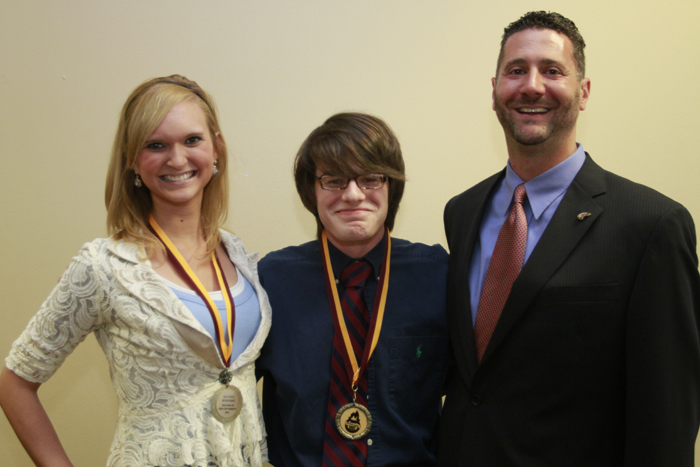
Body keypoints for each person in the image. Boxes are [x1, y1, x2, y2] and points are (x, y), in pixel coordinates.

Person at [438, 11, 700, 467]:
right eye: (516, 70)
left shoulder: (651, 224)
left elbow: (667, 411)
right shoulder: (462, 211)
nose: (532, 85)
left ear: (583, 92)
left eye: (552, 70)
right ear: (495, 89)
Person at [0, 75, 271, 467]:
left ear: (217, 149)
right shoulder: (104, 266)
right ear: (132, 160)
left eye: (191, 140)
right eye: (155, 145)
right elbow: (15, 383)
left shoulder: (237, 253)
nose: (176, 159)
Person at [256, 112, 449, 466]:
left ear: (392, 186)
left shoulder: (439, 276)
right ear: (311, 192)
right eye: (334, 180)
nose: (353, 194)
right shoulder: (270, 280)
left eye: (370, 178)